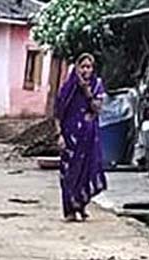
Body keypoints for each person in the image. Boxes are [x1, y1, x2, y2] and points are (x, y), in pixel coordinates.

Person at [54, 53, 107, 222]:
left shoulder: (97, 86)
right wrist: (59, 135)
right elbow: (57, 114)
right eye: (82, 66)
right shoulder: (67, 88)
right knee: (68, 173)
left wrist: (87, 91)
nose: (85, 70)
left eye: (89, 67)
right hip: (70, 137)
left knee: (86, 170)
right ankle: (69, 210)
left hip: (88, 136)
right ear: (77, 68)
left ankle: (81, 204)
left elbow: (97, 109)